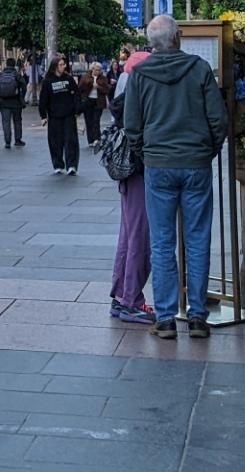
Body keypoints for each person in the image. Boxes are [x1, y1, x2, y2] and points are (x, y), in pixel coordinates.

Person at [121, 14, 229, 340]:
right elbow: (218, 119)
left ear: (152, 43)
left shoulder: (139, 74)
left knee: (162, 241)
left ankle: (166, 318)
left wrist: (148, 153)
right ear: (178, 37)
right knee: (197, 238)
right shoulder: (198, 69)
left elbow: (132, 126)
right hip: (195, 163)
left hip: (158, 164)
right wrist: (206, 150)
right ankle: (197, 316)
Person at [107, 50, 155, 325]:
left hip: (129, 173)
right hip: (139, 170)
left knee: (129, 233)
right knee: (140, 235)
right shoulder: (137, 100)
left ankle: (121, 295)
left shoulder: (124, 93)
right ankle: (131, 300)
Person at [42, 54, 81, 174]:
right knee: (55, 141)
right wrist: (43, 115)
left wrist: (77, 110)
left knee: (71, 140)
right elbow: (44, 99)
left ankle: (72, 165)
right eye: (61, 65)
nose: (63, 66)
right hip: (54, 116)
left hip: (69, 115)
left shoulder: (69, 79)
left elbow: (76, 95)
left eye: (64, 64)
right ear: (55, 66)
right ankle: (58, 164)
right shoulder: (48, 81)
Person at [0, 58, 26, 149]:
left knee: (6, 122)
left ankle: (7, 142)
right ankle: (17, 140)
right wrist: (22, 97)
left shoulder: (0, 75)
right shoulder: (17, 75)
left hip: (4, 102)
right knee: (17, 121)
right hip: (16, 102)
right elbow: (24, 86)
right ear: (14, 65)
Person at [84, 64, 112, 149]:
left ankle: (97, 139)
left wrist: (98, 87)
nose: (98, 71)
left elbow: (107, 90)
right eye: (96, 69)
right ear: (92, 69)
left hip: (98, 102)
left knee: (96, 121)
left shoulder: (103, 78)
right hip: (88, 101)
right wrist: (90, 84)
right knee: (89, 121)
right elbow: (81, 87)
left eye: (99, 70)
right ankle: (90, 140)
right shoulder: (86, 77)